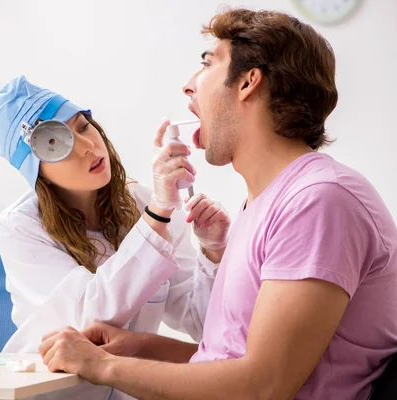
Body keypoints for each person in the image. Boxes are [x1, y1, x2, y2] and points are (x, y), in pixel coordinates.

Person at [38, 8, 397, 400]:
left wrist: (103, 366)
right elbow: (228, 361)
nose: (189, 87)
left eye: (207, 64)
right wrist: (137, 347)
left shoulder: (319, 201)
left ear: (248, 82)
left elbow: (263, 385)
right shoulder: (263, 202)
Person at [0, 76, 230, 399]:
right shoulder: (19, 227)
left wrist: (213, 253)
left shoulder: (147, 203)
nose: (88, 147)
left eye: (84, 126)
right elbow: (88, 322)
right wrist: (157, 214)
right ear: (36, 172)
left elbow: (201, 324)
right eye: (58, 144)